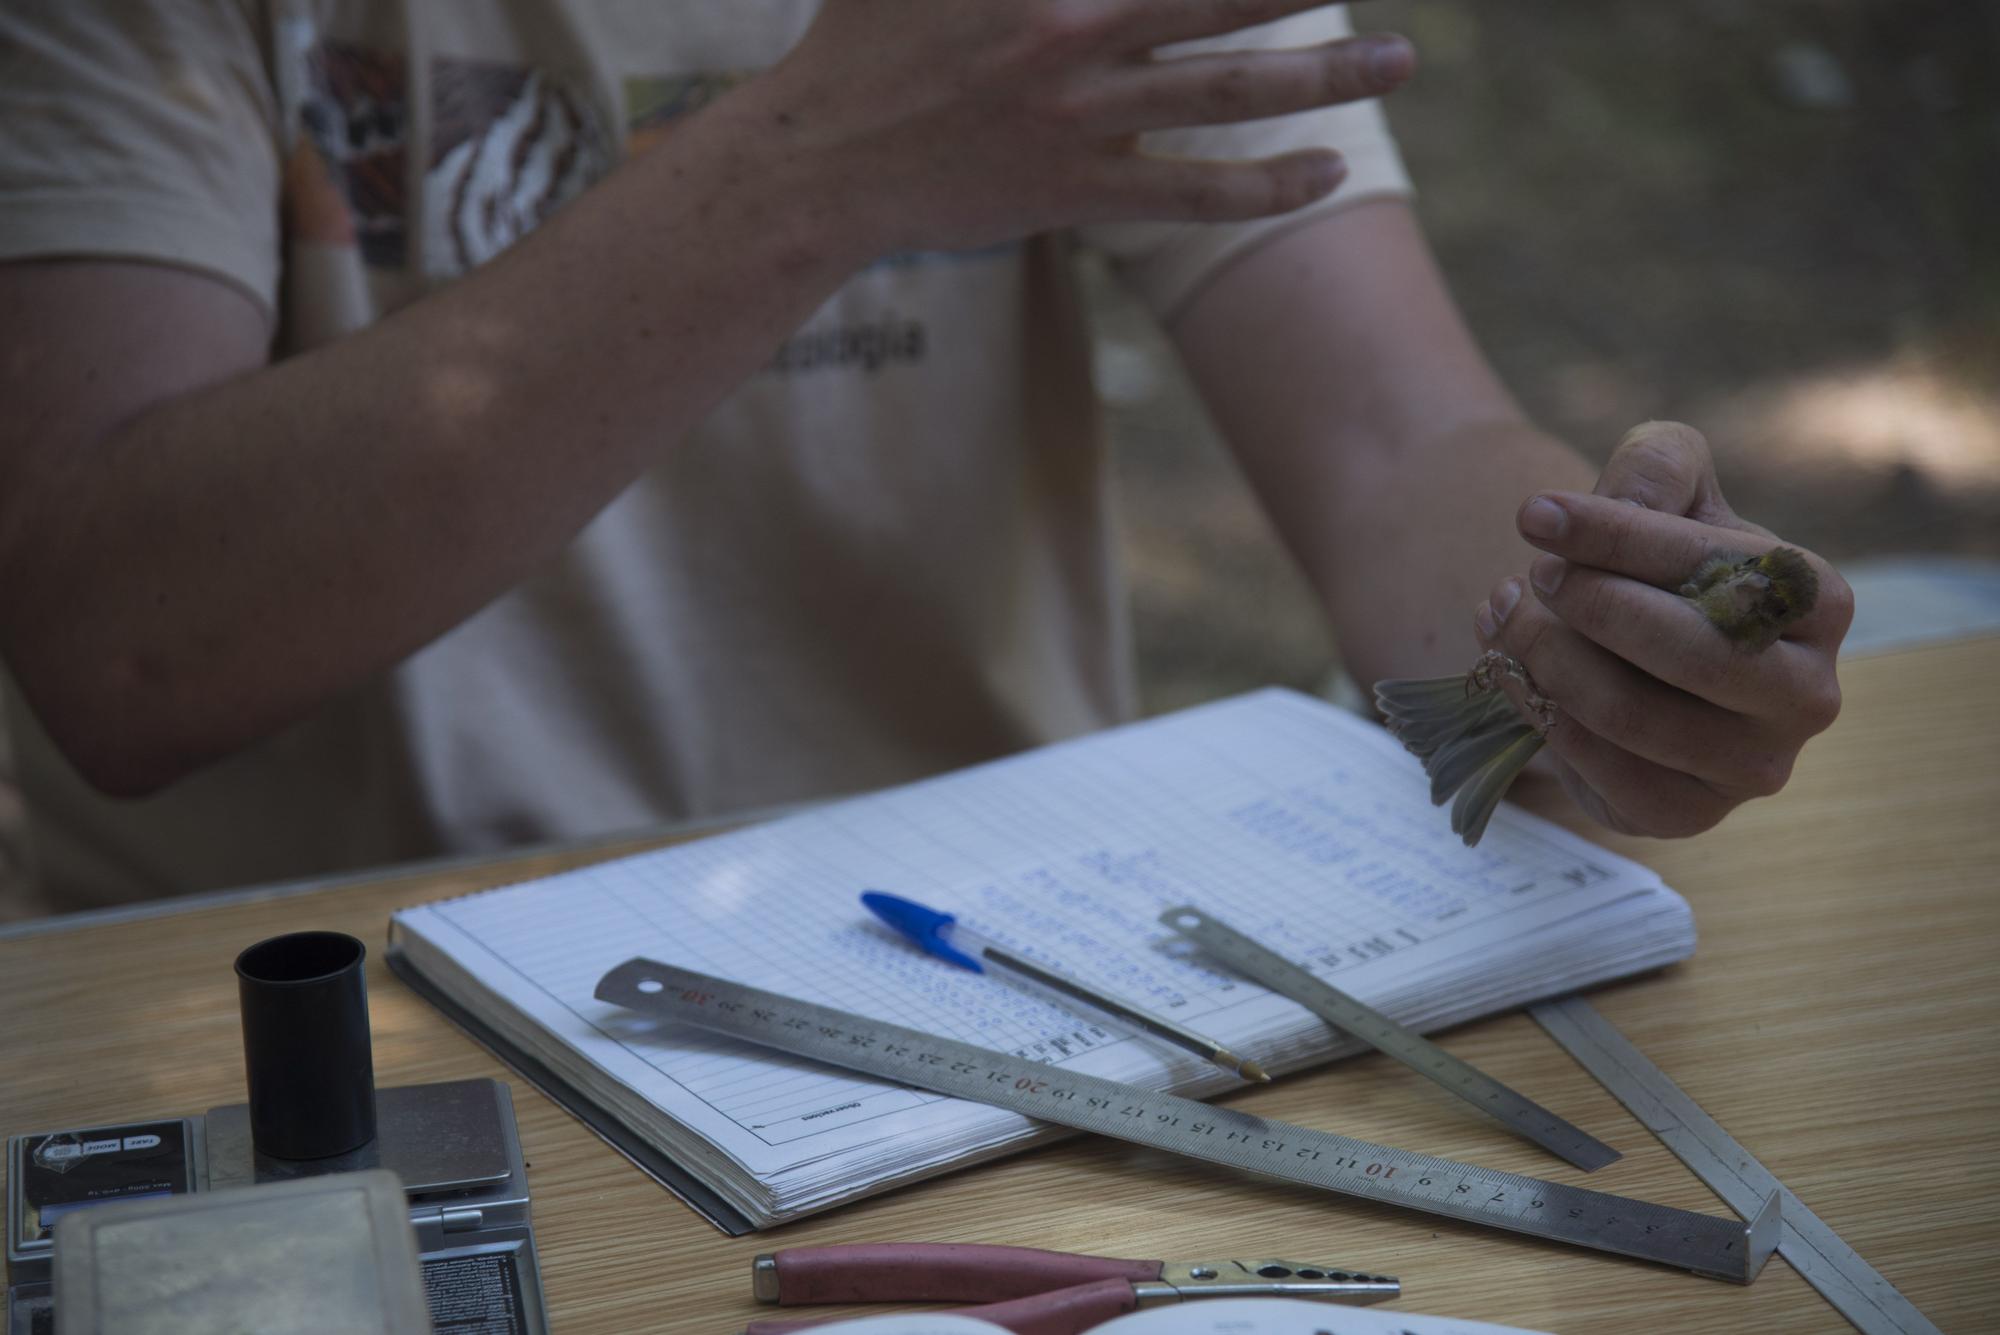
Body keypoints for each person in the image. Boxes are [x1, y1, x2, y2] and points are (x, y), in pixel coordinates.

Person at [0, 1, 1850, 914]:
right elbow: (121, 647)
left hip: (992, 944)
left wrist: (1597, 642)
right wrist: (818, 167)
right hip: (321, 1004)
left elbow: (1397, 439)